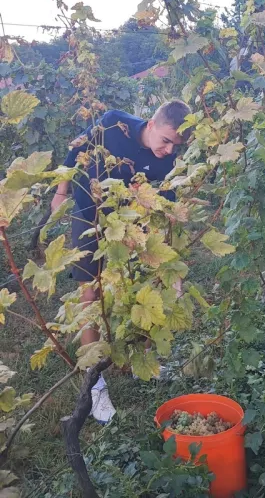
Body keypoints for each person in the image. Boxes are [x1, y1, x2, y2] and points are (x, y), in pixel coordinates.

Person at [51, 100, 191, 423]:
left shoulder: (167, 163)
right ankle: (94, 385)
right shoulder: (115, 124)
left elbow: (165, 216)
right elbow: (76, 150)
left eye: (176, 146)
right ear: (152, 124)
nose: (169, 150)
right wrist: (61, 192)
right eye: (166, 140)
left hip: (129, 230)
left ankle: (139, 363)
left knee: (138, 291)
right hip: (90, 219)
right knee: (90, 296)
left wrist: (170, 268)